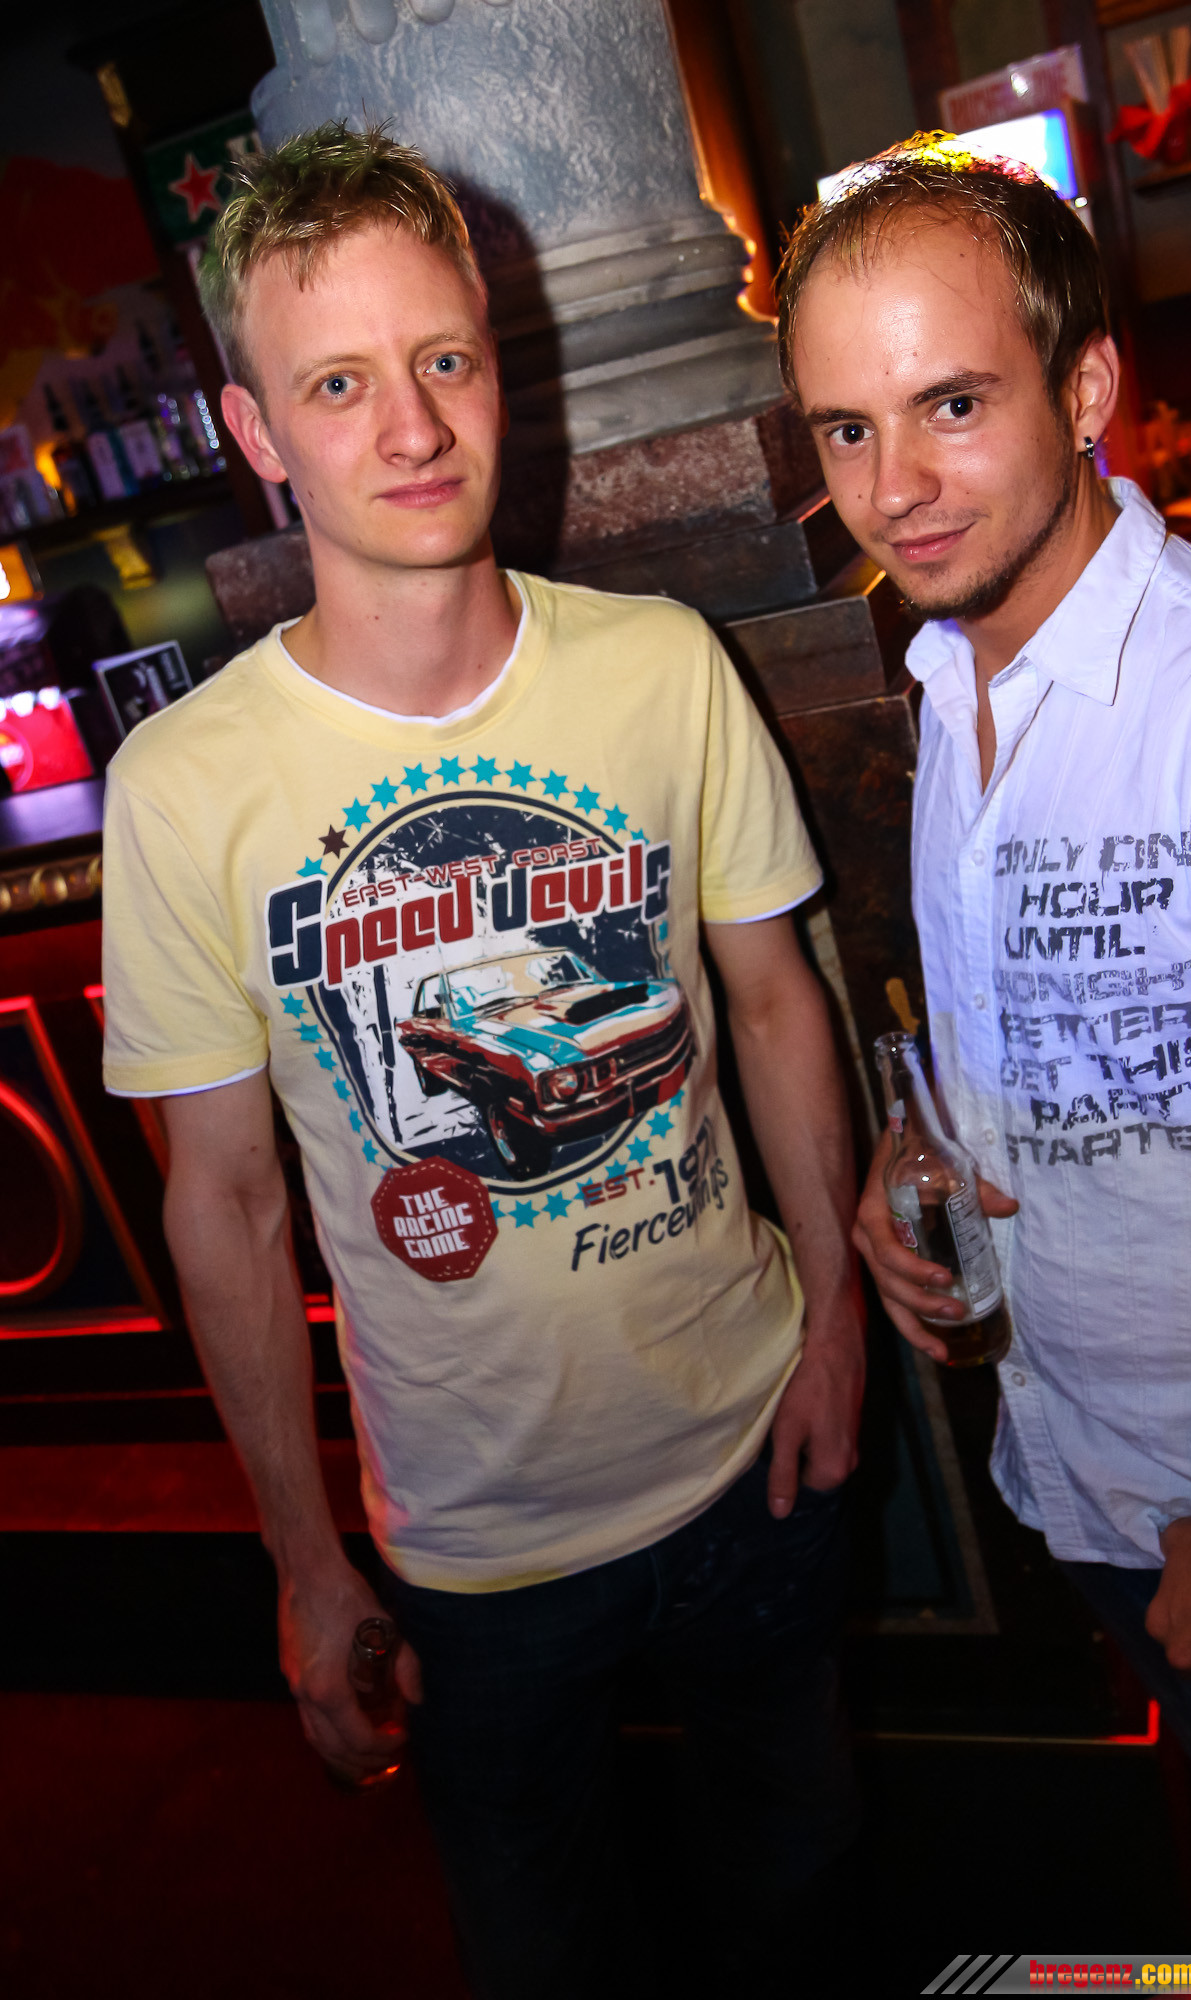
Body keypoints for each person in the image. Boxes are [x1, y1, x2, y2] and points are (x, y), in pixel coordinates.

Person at [100, 123, 865, 1999]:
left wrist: (839, 1319)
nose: (413, 426)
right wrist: (303, 1560)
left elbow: (775, 1004)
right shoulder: (182, 790)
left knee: (809, 1917)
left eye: (443, 358)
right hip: (473, 1553)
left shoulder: (660, 664)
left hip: (756, 1446)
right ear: (257, 431)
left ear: (499, 365)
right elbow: (222, 1202)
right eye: (338, 384)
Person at [779, 134, 1191, 1950]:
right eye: (845, 428)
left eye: (950, 405)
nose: (893, 488)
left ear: (1083, 389)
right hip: (1089, 1481)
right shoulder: (953, 676)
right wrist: (916, 1160)